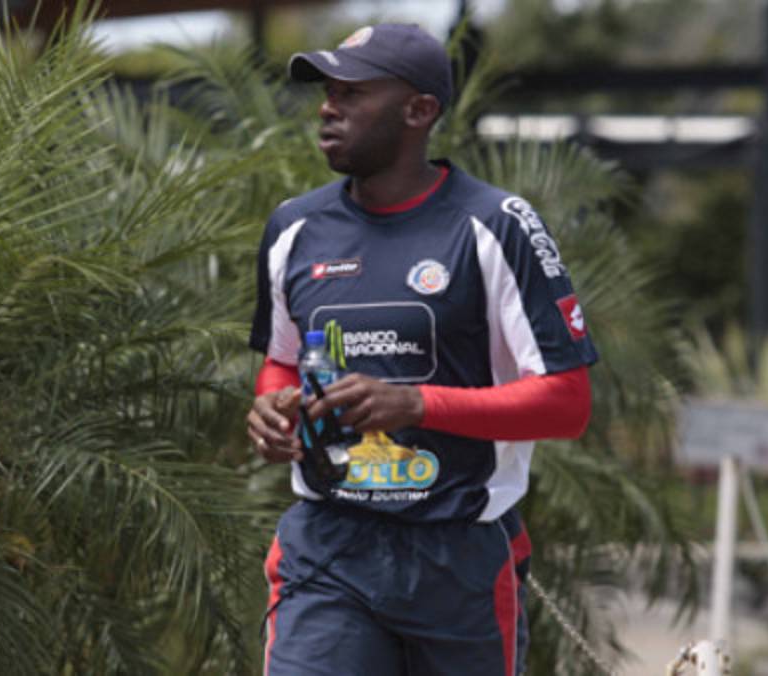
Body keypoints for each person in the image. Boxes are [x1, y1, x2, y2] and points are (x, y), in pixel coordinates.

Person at [245, 23, 598, 676]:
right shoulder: (294, 229)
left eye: (352, 92)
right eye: (327, 90)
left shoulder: (495, 225)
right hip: (328, 549)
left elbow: (567, 403)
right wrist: (272, 408)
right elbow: (283, 362)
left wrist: (415, 403)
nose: (328, 106)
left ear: (419, 110)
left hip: (460, 554)